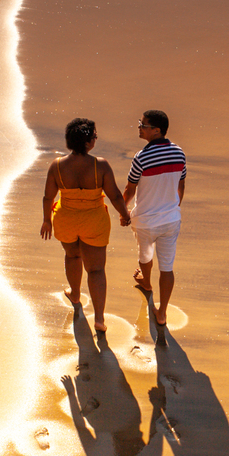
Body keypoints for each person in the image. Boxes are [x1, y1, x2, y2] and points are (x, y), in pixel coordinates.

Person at [41, 118, 132, 333]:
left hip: (66, 219)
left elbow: (47, 197)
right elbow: (116, 196)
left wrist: (46, 220)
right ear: (89, 142)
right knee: (96, 269)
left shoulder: (57, 165)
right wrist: (125, 214)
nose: (96, 139)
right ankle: (99, 319)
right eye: (95, 136)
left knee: (72, 256)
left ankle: (74, 294)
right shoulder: (100, 165)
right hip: (94, 221)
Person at [123, 110, 186, 327]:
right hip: (170, 219)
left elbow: (130, 189)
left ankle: (147, 283)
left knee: (145, 255)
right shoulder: (179, 153)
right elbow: (181, 184)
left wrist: (124, 212)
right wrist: (173, 207)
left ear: (156, 130)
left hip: (146, 221)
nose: (139, 127)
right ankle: (162, 313)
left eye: (143, 124)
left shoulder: (141, 157)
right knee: (167, 267)